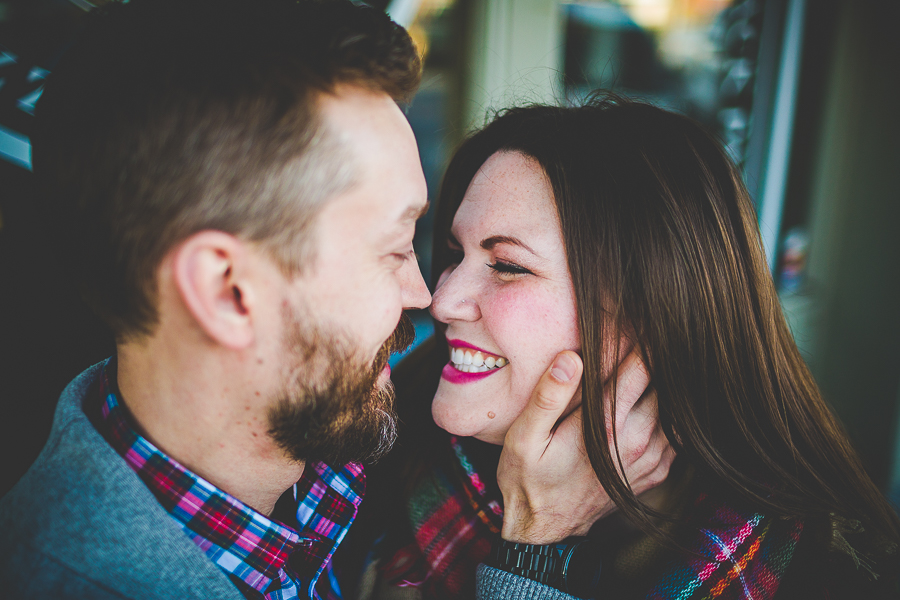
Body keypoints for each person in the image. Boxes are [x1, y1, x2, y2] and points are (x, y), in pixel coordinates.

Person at [0, 2, 649, 598]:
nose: (426, 296)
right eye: (393, 250)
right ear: (227, 292)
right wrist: (533, 558)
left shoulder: (335, 457)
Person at [340, 97, 900, 599]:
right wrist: (535, 543)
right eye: (455, 254)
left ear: (659, 317)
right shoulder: (373, 448)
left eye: (507, 265)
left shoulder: (830, 575)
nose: (441, 301)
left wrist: (535, 547)